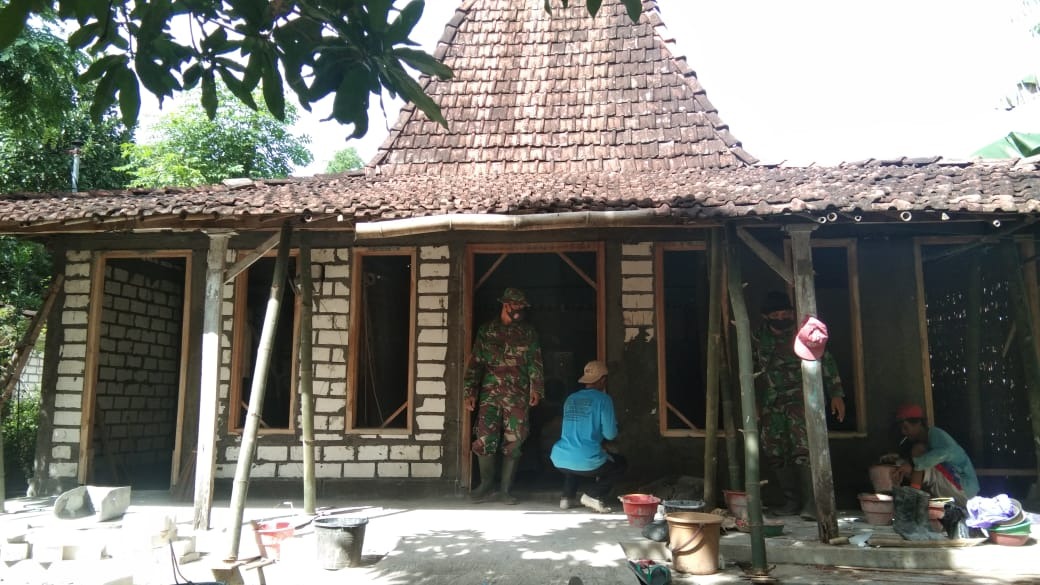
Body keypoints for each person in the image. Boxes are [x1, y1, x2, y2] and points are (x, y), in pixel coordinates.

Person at [753, 291, 846, 519]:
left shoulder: (802, 334)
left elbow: (826, 360)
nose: (782, 318)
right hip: (772, 403)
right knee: (775, 451)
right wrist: (754, 403)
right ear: (766, 317)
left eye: (786, 314)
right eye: (776, 315)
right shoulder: (758, 338)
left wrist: (836, 394)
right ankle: (791, 502)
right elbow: (752, 371)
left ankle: (811, 505)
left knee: (803, 450)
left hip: (801, 400)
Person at [463, 287, 545, 504]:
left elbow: (535, 362)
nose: (520, 310)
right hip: (490, 395)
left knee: (515, 441)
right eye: (516, 305)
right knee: (484, 438)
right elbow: (475, 363)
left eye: (522, 306)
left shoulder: (528, 333)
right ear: (505, 305)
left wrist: (536, 389)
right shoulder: (486, 331)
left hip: (517, 396)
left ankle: (505, 490)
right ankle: (486, 485)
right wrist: (469, 391)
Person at [550, 360, 626, 513]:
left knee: (574, 463)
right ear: (603, 380)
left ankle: (567, 498)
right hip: (586, 459)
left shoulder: (571, 398)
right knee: (620, 464)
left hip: (559, 458)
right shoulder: (603, 399)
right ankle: (592, 495)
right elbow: (610, 434)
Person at [889, 403, 979, 507]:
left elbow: (945, 453)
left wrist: (913, 463)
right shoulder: (922, 441)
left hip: (964, 487)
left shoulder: (935, 433)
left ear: (918, 423)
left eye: (905, 427)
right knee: (910, 467)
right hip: (956, 492)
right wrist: (900, 462)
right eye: (901, 429)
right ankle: (918, 501)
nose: (903, 432)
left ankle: (913, 500)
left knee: (918, 455)